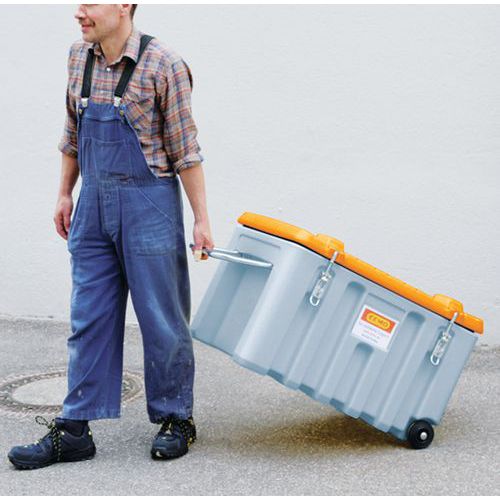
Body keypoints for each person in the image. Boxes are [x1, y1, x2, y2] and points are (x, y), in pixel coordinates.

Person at [8, 4, 214, 470]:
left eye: (90, 3)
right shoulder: (78, 57)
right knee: (89, 317)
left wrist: (202, 219)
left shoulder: (164, 64)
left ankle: (176, 418)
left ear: (124, 5)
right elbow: (72, 132)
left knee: (162, 318)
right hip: (93, 205)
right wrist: (65, 192)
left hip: (149, 205)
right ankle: (74, 430)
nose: (78, 11)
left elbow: (186, 150)